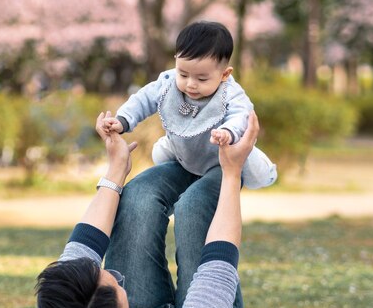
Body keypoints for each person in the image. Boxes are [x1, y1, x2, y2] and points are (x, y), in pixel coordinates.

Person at [23, 109, 259, 308]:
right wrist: (232, 173)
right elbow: (219, 261)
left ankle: (191, 156)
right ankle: (217, 158)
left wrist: (116, 168)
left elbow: (84, 244)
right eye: (118, 284)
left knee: (135, 197)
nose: (119, 277)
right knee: (194, 209)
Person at [104, 20, 277, 190]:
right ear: (176, 62)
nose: (191, 84)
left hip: (220, 155)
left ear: (224, 74)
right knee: (159, 154)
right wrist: (123, 120)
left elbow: (241, 115)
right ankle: (182, 168)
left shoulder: (230, 93)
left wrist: (228, 132)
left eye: (202, 79)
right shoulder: (168, 83)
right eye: (183, 74)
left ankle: (265, 169)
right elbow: (143, 98)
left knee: (257, 174)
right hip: (182, 148)